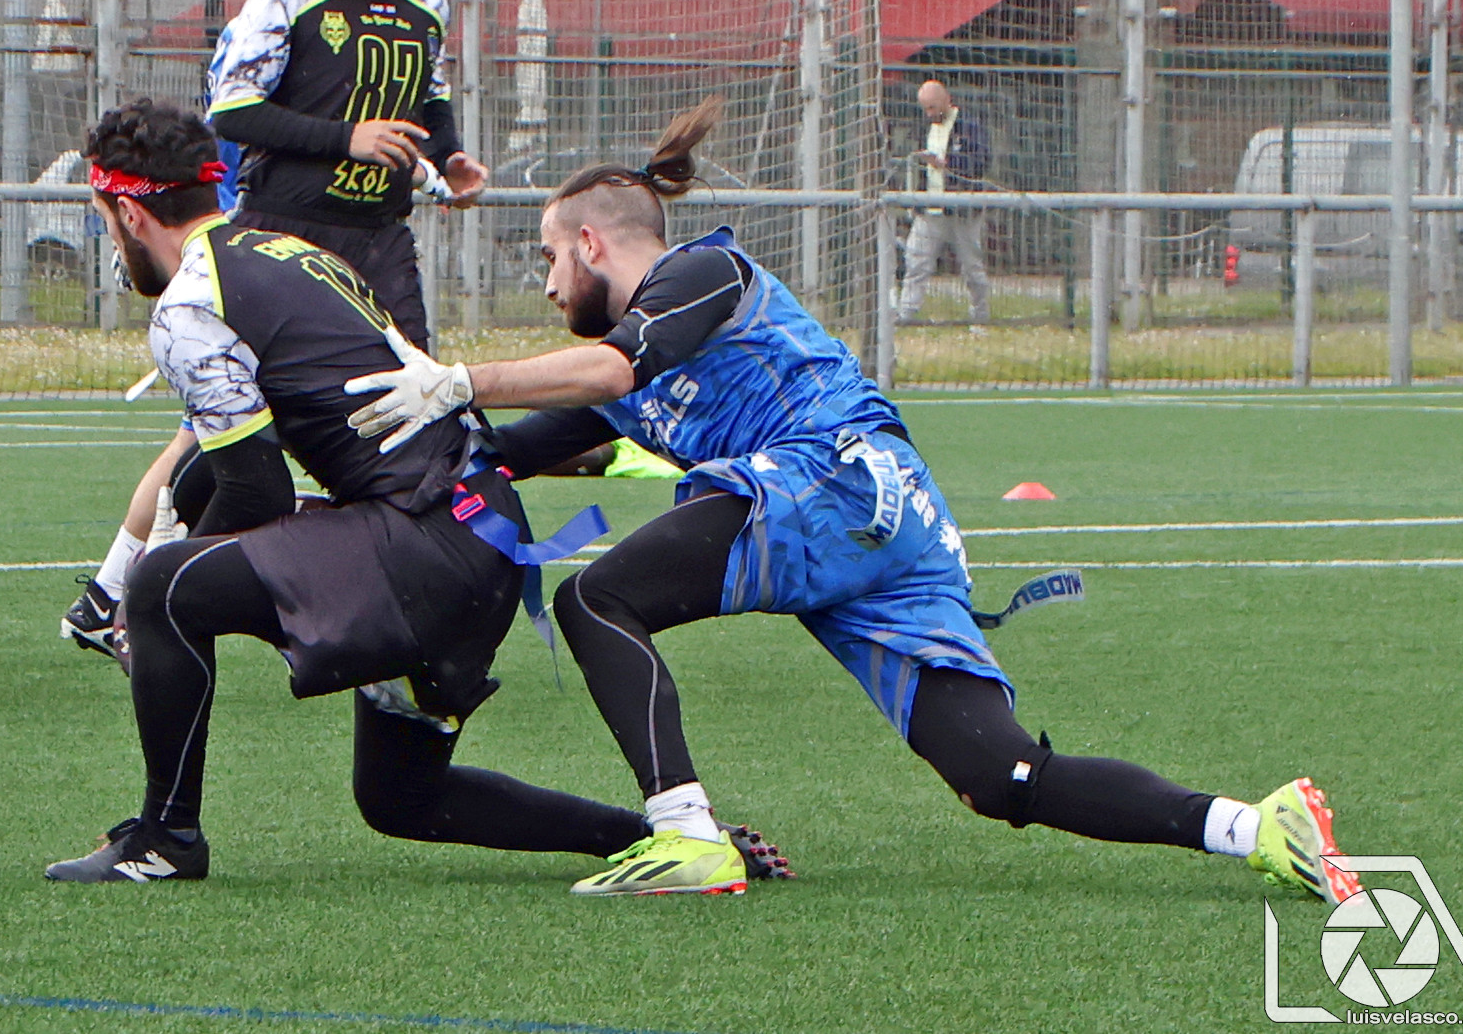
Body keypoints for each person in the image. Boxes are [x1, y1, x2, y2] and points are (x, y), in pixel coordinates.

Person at [341, 100, 1363, 903]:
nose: (546, 283)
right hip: (886, 523)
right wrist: (364, 460)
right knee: (998, 776)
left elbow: (611, 369)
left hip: (831, 476)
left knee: (596, 598)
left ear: (593, 243)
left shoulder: (701, 270)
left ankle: (687, 837)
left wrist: (462, 376)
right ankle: (1255, 825)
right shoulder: (626, 376)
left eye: (548, 258)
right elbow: (506, 450)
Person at [44, 97, 785, 888]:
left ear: (128, 212)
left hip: (428, 546)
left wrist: (149, 602)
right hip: (480, 539)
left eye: (106, 220)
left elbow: (255, 492)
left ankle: (164, 840)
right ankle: (644, 837)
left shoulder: (191, 301)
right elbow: (226, 471)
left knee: (163, 587)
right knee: (401, 796)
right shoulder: (285, 252)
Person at [60, 0, 337, 662]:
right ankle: (138, 598)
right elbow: (234, 148)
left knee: (214, 446)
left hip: (289, 260)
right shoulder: (257, 45)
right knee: (222, 445)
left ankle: (115, 596)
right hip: (245, 266)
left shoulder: (345, 40)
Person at [205, 0, 489, 351]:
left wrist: (448, 158)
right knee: (279, 392)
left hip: (381, 237)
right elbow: (234, 112)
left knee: (413, 383)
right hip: (284, 232)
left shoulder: (428, 6)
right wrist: (346, 139)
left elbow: (431, 99)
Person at [894, 79, 992, 326]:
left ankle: (980, 317)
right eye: (925, 108)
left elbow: (981, 161)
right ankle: (906, 315)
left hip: (962, 211)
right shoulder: (923, 127)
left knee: (972, 267)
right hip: (929, 209)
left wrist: (947, 164)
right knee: (916, 262)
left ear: (947, 100)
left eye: (933, 107)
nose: (929, 113)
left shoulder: (969, 126)